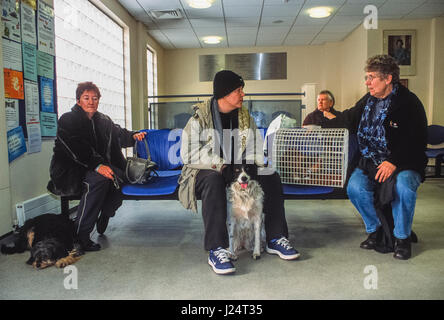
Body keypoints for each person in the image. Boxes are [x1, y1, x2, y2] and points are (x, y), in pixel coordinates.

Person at [178, 70, 300, 275]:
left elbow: (254, 147)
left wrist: (255, 164)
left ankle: (275, 237)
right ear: (224, 94)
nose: (243, 94)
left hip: (238, 168)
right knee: (214, 181)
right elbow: (188, 153)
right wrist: (220, 164)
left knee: (270, 175)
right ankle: (217, 249)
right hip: (204, 170)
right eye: (238, 90)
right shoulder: (199, 118)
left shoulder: (245, 117)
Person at [324, 55, 427, 260]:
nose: (367, 82)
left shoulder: (409, 103)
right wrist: (320, 125)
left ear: (388, 79)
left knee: (404, 187)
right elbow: (349, 118)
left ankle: (401, 238)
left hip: (404, 162)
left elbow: (416, 140)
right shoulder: (368, 100)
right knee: (354, 187)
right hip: (371, 161)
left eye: (372, 77)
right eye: (367, 77)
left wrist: (393, 161)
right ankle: (377, 230)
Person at [48, 82, 146, 251]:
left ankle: (105, 213)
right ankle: (81, 236)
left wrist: (133, 135)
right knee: (100, 178)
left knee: (121, 176)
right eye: (86, 98)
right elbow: (76, 148)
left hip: (97, 166)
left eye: (94, 98)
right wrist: (97, 166)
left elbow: (118, 134)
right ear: (79, 101)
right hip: (72, 170)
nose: (91, 102)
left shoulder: (103, 120)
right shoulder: (67, 120)